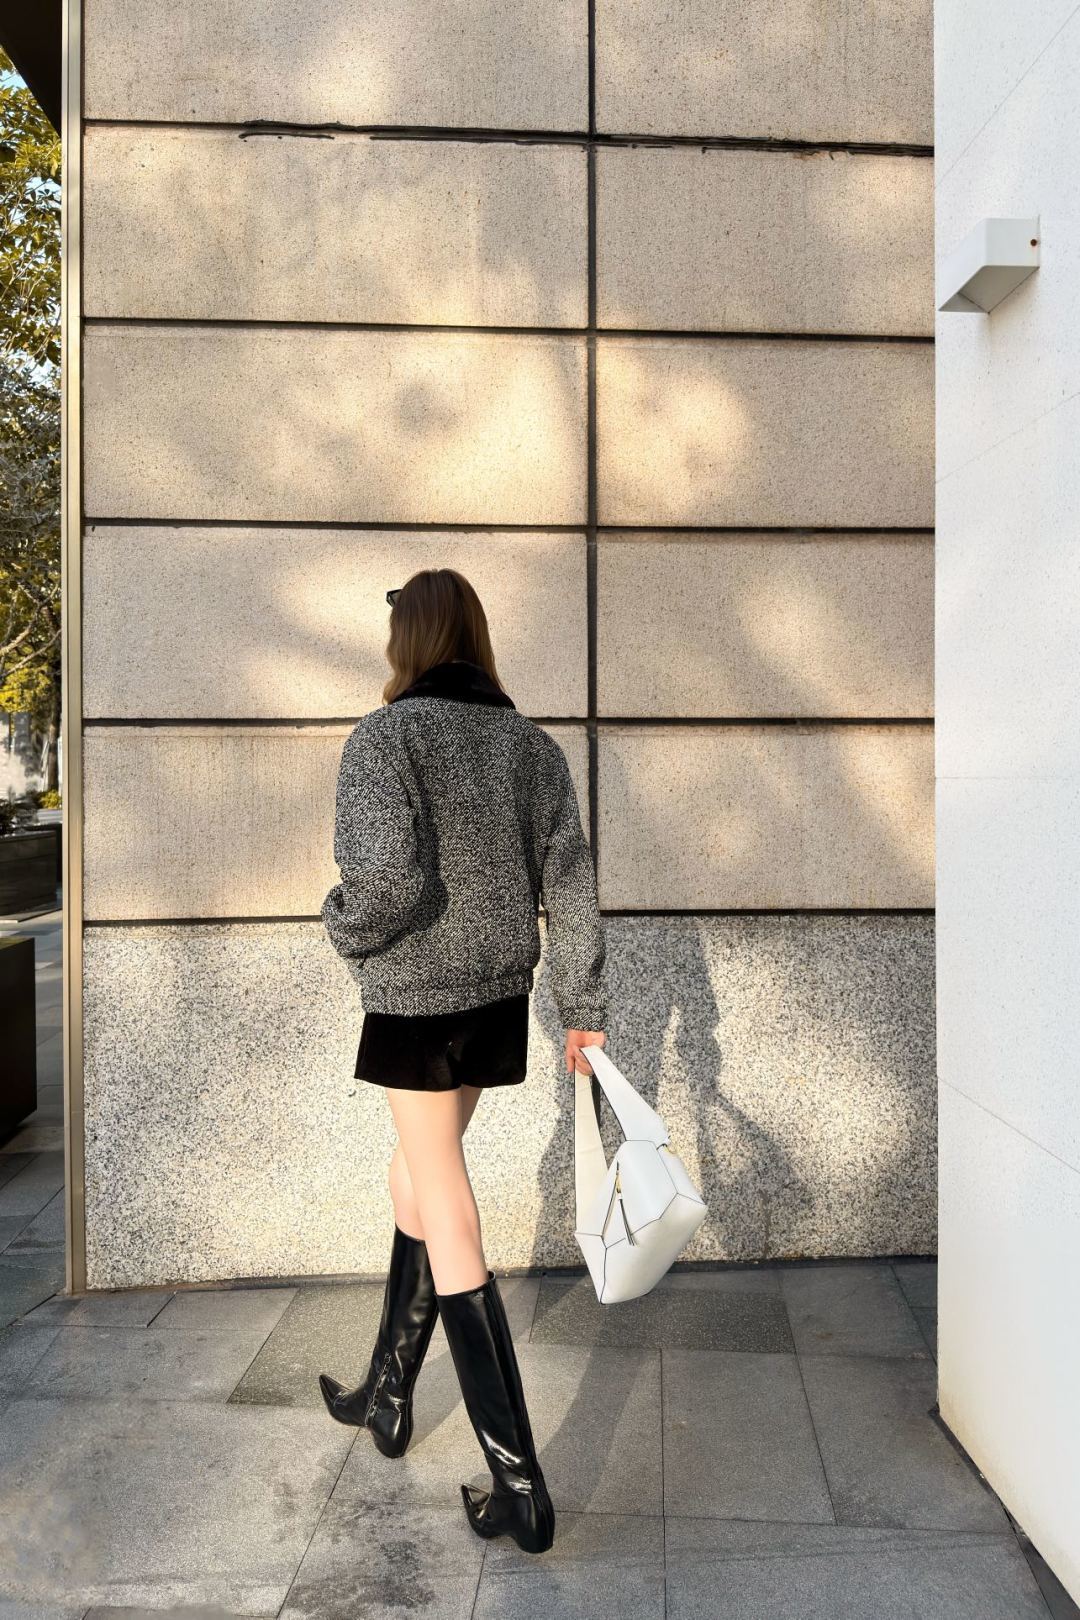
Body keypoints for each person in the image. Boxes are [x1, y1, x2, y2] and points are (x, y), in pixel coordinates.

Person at [317, 567, 609, 1557]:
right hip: (495, 1000)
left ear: (408, 639)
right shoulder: (532, 748)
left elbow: (386, 885)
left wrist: (341, 924)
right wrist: (582, 1005)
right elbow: (570, 884)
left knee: (439, 1190)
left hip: (415, 1002)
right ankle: (388, 1393)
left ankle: (520, 1485)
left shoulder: (385, 738)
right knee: (412, 1172)